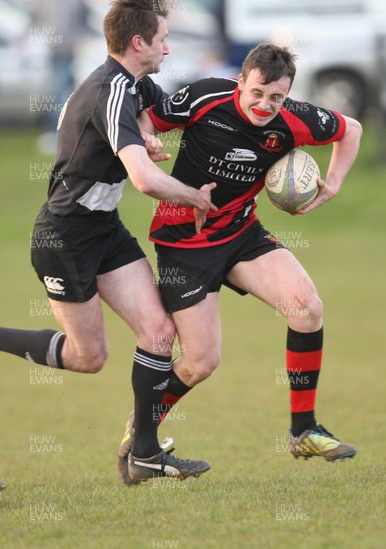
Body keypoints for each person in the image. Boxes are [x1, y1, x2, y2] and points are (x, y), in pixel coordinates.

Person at [0, 0, 217, 483]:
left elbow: (161, 116)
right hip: (64, 236)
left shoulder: (137, 87)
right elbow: (142, 180)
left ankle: (144, 455)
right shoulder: (110, 89)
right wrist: (193, 196)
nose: (168, 48)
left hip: (104, 230)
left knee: (160, 334)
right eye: (162, 40)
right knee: (88, 357)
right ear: (138, 42)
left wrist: (151, 132)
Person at [118, 42, 362, 482]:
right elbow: (145, 119)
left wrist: (335, 185)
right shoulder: (205, 95)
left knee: (306, 309)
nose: (265, 105)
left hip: (241, 233)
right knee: (200, 362)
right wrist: (149, 140)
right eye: (257, 93)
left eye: (277, 98)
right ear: (241, 82)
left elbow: (353, 129)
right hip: (183, 242)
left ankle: (304, 429)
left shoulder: (294, 120)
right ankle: (142, 437)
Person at [33, 0, 90, 153]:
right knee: (58, 91)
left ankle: (68, 133)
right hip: (52, 52)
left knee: (70, 93)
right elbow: (37, 19)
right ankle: (54, 132)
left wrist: (79, 40)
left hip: (71, 52)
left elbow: (85, 22)